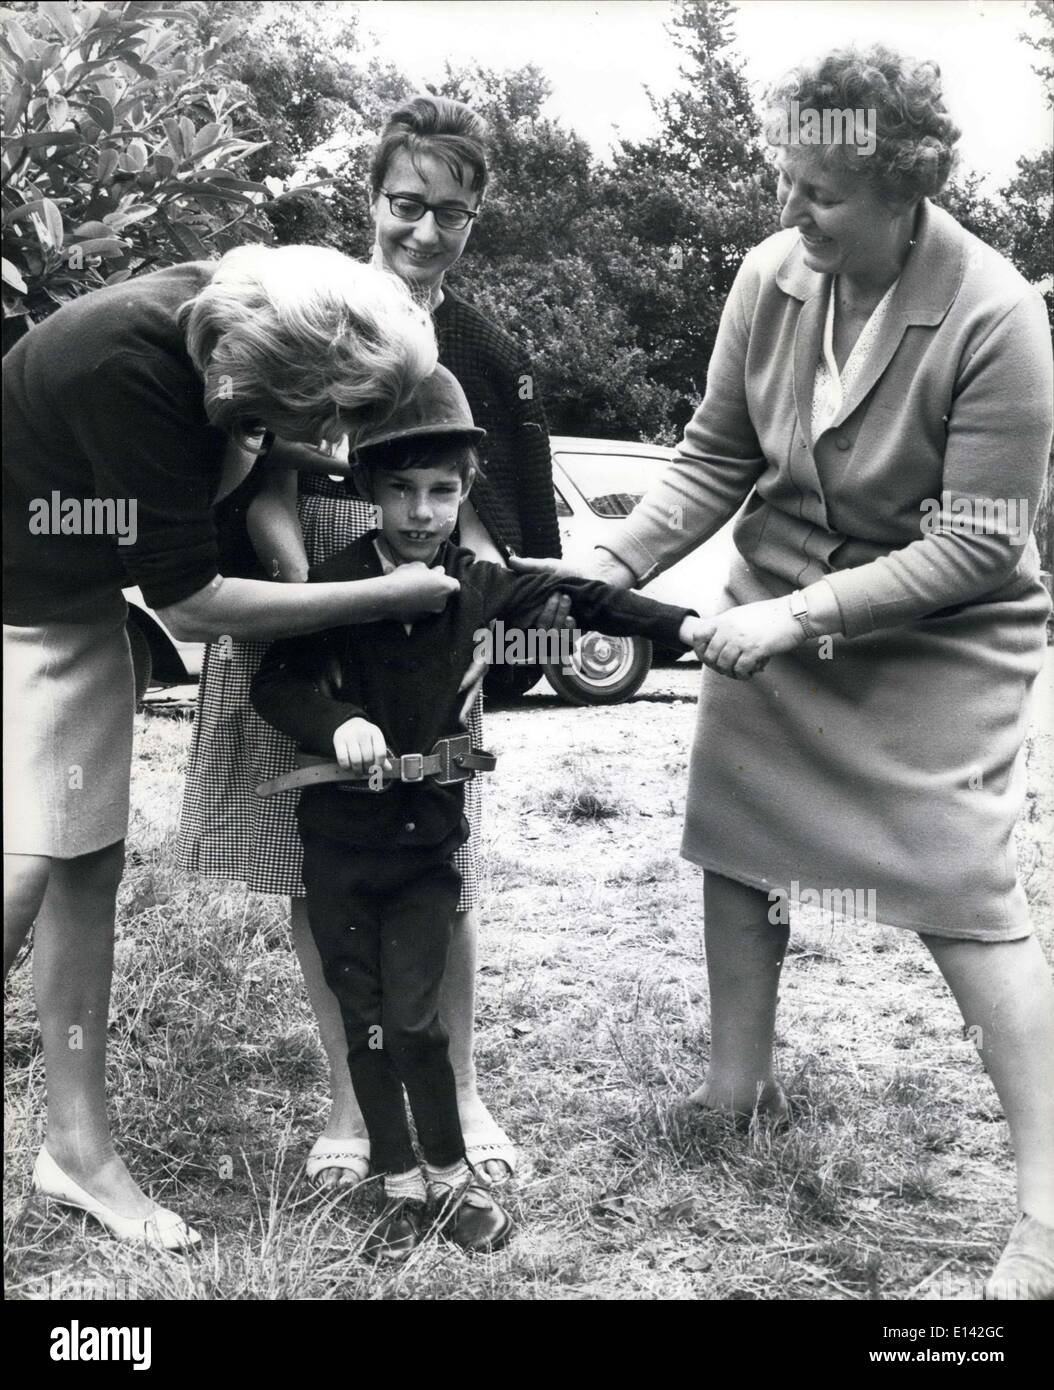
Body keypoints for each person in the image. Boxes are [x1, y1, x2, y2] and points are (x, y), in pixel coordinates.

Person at [515, 46, 1054, 1299]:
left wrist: (805, 615)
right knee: (741, 839)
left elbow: (980, 542)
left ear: (899, 187)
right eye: (783, 179)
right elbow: (714, 455)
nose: (785, 210)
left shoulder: (994, 316)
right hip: (778, 598)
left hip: (936, 633)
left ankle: (1043, 1205)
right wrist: (609, 555)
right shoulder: (771, 275)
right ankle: (733, 1090)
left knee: (959, 893)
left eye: (816, 191)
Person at [2, 244, 448, 1249]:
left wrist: (292, 452)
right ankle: (73, 1149)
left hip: (62, 607)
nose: (336, 440)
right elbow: (194, 602)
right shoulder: (131, 369)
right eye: (324, 413)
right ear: (263, 373)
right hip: (17, 606)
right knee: (22, 871)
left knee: (81, 866)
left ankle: (74, 1150)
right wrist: (388, 595)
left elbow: (238, 447)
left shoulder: (236, 323)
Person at [177, 95, 563, 1189]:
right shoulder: (314, 309)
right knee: (327, 859)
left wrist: (474, 613)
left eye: (453, 213)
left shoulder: (482, 345)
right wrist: (312, 597)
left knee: (435, 858)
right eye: (407, 204)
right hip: (311, 603)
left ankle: (464, 1088)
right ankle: (352, 1100)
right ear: (372, 199)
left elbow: (489, 510)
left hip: (425, 622)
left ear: (475, 218)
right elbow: (260, 479)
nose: (427, 231)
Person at [250, 366, 700, 1260]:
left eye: (442, 493)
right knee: (363, 1015)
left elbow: (584, 596)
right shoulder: (334, 587)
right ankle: (395, 1179)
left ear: (463, 495)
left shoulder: (479, 585)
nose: (422, 512)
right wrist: (338, 724)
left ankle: (450, 1176)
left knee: (417, 1019)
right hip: (338, 845)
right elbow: (277, 683)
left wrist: (680, 627)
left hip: (427, 846)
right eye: (404, 491)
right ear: (371, 491)